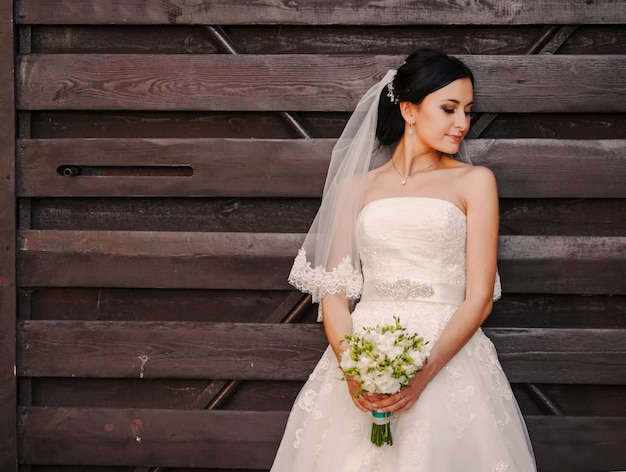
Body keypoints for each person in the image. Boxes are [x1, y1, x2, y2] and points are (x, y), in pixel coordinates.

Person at [271, 49, 537, 471]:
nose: (462, 124)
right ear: (409, 110)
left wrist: (423, 376)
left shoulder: (475, 182)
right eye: (449, 109)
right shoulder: (355, 187)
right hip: (366, 350)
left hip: (448, 356)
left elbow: (480, 297)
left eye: (468, 111)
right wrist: (355, 371)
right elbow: (334, 296)